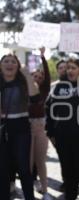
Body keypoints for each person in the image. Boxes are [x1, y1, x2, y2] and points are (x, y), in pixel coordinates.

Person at [46, 57, 79, 200]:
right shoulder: (60, 86)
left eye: (73, 68)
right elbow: (50, 108)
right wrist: (49, 132)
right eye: (68, 68)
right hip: (64, 139)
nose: (69, 71)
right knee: (69, 176)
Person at [0, 53, 39, 200]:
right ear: (0, 65)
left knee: (23, 168)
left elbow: (35, 98)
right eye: (6, 61)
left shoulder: (23, 82)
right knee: (2, 170)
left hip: (21, 126)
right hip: (2, 128)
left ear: (18, 66)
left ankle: (29, 197)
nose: (9, 64)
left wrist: (27, 75)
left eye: (13, 62)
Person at [29, 47, 51, 199]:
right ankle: (28, 190)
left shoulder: (44, 89)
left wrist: (43, 57)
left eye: (39, 76)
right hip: (26, 128)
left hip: (41, 128)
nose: (37, 78)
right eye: (34, 76)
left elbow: (48, 75)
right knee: (28, 163)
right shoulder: (25, 90)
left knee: (41, 161)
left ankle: (45, 191)